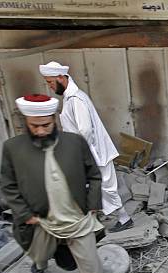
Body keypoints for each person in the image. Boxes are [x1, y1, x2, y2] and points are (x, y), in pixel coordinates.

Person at [0, 94, 104, 273]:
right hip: (40, 220)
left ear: (54, 119)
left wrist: (93, 205)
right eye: (34, 126)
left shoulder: (75, 142)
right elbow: (9, 186)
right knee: (39, 255)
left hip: (78, 221)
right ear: (26, 122)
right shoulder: (13, 148)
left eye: (45, 125)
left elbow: (94, 175)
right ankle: (40, 265)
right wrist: (25, 214)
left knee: (91, 270)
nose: (40, 131)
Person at [39, 61, 132, 233]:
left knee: (106, 187)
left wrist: (80, 156)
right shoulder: (71, 98)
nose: (50, 86)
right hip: (88, 152)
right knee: (96, 188)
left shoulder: (76, 99)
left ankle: (123, 219)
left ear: (61, 78)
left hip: (94, 153)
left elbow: (85, 131)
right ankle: (103, 220)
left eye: (51, 82)